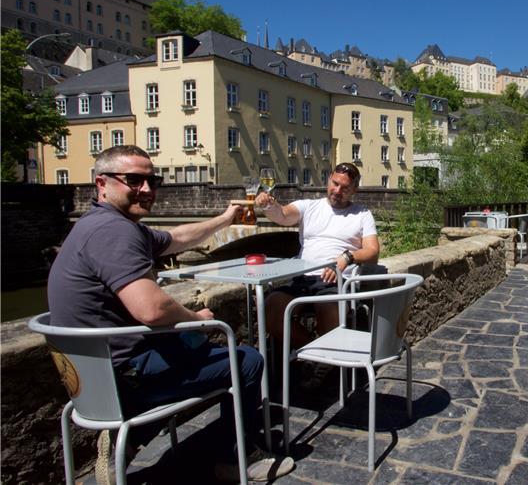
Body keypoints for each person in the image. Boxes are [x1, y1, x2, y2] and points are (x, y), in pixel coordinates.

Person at [47, 145, 293, 482]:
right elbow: (152, 308)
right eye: (133, 180)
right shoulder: (114, 232)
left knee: (193, 346)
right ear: (101, 184)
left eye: (152, 180)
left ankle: (133, 437)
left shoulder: (102, 223)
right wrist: (198, 319)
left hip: (95, 378)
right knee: (247, 360)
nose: (147, 189)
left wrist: (224, 219)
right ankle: (235, 459)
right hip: (126, 375)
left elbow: (176, 238)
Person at [254, 162, 380, 351]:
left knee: (329, 307)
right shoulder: (309, 206)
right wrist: (268, 205)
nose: (337, 190)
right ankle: (313, 352)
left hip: (336, 280)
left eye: (345, 188)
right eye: (335, 183)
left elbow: (372, 251)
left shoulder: (361, 214)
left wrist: (347, 257)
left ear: (354, 190)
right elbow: (283, 215)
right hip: (303, 278)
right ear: (329, 179)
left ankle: (327, 364)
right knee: (270, 306)